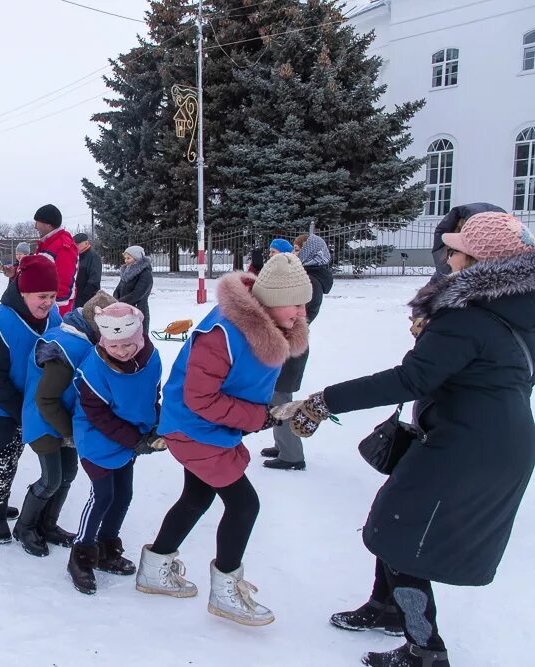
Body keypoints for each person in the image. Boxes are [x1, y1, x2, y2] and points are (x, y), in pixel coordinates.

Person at [277, 212, 535, 667]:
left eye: (455, 250)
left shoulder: (469, 316)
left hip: (469, 447)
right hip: (487, 438)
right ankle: (387, 606)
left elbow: (411, 379)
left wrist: (324, 401)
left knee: (400, 535)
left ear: (479, 260)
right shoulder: (512, 307)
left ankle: (425, 650)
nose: (447, 254)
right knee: (397, 518)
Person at [135, 254, 311, 627]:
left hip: (212, 427)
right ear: (272, 301)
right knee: (244, 505)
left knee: (196, 498)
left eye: (303, 302)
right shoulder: (224, 334)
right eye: (294, 303)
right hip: (193, 427)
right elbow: (200, 397)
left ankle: (155, 568)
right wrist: (258, 417)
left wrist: (268, 411)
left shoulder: (267, 326)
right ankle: (226, 591)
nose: (301, 311)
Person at [66, 303, 163, 594]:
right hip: (98, 437)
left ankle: (108, 546)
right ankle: (81, 554)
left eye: (128, 345)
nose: (121, 351)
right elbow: (98, 415)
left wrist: (155, 423)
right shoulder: (94, 369)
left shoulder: (150, 358)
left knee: (123, 494)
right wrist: (135, 439)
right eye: (115, 346)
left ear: (140, 337)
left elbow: (151, 393)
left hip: (131, 435)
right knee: (102, 495)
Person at [15, 290, 115, 557]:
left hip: (66, 421)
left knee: (67, 476)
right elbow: (45, 399)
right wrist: (71, 432)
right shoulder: (66, 347)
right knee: (51, 479)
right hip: (44, 421)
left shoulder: (82, 340)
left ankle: (48, 525)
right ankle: (24, 527)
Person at [0, 255, 62, 542]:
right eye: (41, 296)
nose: (48, 302)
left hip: (26, 400)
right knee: (5, 458)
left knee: (7, 455)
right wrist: (20, 412)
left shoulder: (53, 317)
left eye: (52, 295)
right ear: (23, 292)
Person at [262, 233, 334, 471]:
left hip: (291, 346)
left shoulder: (311, 281)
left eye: (297, 248)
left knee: (281, 399)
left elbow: (300, 317)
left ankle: (292, 455)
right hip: (288, 343)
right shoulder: (308, 276)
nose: (294, 252)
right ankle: (282, 445)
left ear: (308, 251)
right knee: (277, 396)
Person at [428, 202, 506, 285]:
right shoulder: (441, 278)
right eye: (450, 251)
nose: (449, 261)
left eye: (456, 251)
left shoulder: (506, 291)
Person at [33, 204, 79, 316]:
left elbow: (64, 282)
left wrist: (54, 309)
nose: (35, 226)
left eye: (37, 222)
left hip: (55, 308)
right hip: (44, 303)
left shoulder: (63, 246)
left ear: (48, 224)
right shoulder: (48, 244)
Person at [113, 245, 154, 334]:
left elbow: (138, 294)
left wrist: (120, 302)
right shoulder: (127, 272)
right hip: (124, 310)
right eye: (125, 258)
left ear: (137, 258)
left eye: (129, 258)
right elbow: (119, 288)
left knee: (138, 338)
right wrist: (115, 298)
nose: (126, 261)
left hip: (138, 311)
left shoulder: (145, 273)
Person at [73, 233, 102, 309]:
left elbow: (94, 280)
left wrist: (84, 296)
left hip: (87, 299)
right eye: (74, 244)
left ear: (86, 243)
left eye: (78, 244)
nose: (75, 246)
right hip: (75, 296)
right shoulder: (76, 256)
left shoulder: (93, 257)